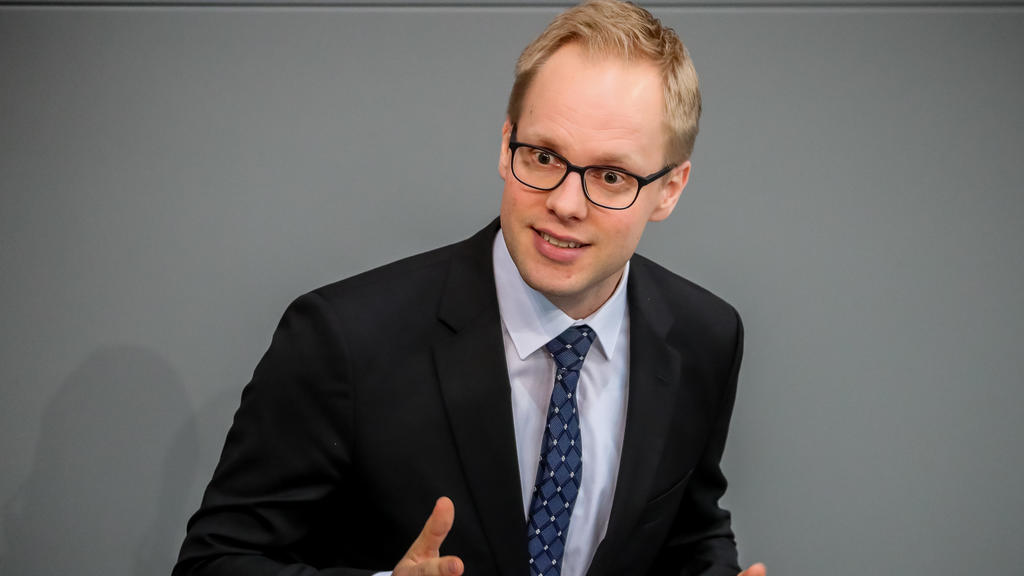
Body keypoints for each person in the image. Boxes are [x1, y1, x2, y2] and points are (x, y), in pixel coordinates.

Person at [174, 2, 766, 575]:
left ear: (670, 189)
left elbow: (688, 533)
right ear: (506, 145)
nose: (563, 203)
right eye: (543, 156)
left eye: (611, 176)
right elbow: (213, 562)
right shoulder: (344, 340)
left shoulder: (703, 337)